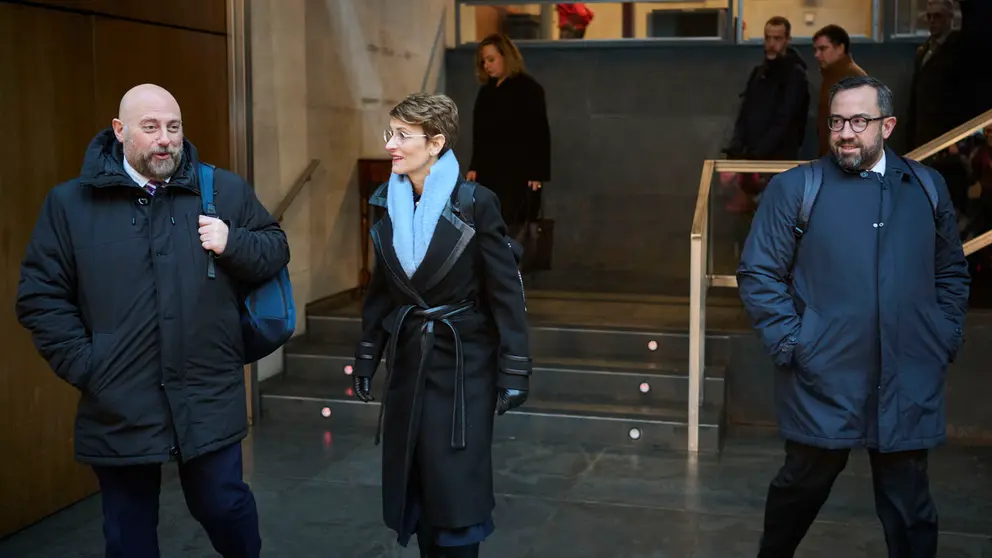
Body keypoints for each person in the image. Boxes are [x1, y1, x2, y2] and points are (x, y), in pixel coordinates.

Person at [15, 83, 290, 558]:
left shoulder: (221, 190)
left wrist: (234, 243)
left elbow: (275, 249)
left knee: (223, 506)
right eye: (151, 127)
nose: (165, 138)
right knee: (128, 531)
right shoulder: (70, 205)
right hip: (119, 398)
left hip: (207, 390)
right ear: (120, 132)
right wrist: (90, 365)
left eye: (173, 127)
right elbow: (41, 297)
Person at [737, 75, 970, 557]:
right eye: (837, 121)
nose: (846, 132)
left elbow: (951, 271)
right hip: (824, 376)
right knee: (797, 492)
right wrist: (794, 343)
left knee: (911, 509)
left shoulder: (926, 187)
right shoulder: (797, 188)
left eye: (859, 121)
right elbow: (759, 273)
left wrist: (943, 334)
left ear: (887, 125)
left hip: (908, 374)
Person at [352, 92, 531, 558]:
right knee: (416, 482)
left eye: (402, 136)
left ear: (435, 143)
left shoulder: (475, 202)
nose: (391, 145)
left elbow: (506, 292)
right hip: (409, 358)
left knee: (455, 492)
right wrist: (369, 353)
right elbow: (381, 290)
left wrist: (515, 368)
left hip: (463, 366)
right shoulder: (387, 202)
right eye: (389, 133)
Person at [722, 16, 811, 213]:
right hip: (754, 159)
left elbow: (785, 120)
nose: (771, 44)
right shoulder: (759, 72)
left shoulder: (794, 75)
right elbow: (745, 111)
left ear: (787, 40)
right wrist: (737, 149)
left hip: (777, 161)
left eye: (777, 39)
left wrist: (757, 155)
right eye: (768, 38)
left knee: (776, 214)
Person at [465, 33, 551, 227]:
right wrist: (474, 165)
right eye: (483, 61)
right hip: (489, 170)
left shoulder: (529, 89)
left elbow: (539, 133)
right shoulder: (486, 91)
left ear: (506, 57)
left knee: (515, 225)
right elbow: (479, 133)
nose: (487, 65)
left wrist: (537, 173)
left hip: (518, 172)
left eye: (491, 59)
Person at [812, 24, 867, 156]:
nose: (817, 55)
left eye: (823, 49)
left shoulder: (852, 79)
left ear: (840, 48)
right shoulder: (831, 76)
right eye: (815, 50)